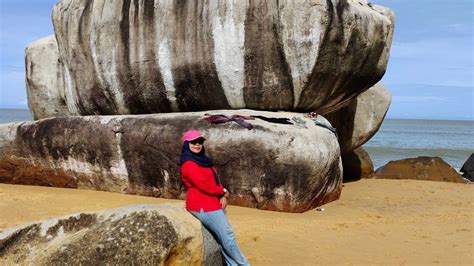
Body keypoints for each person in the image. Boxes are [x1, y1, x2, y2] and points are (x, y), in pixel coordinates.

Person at [179, 130, 249, 266]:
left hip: (212, 202)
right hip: (203, 205)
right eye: (193, 142)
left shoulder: (203, 160)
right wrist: (222, 191)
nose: (197, 144)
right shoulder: (188, 163)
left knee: (222, 237)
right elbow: (203, 184)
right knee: (228, 236)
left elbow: (214, 179)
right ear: (186, 144)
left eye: (200, 141)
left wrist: (221, 194)